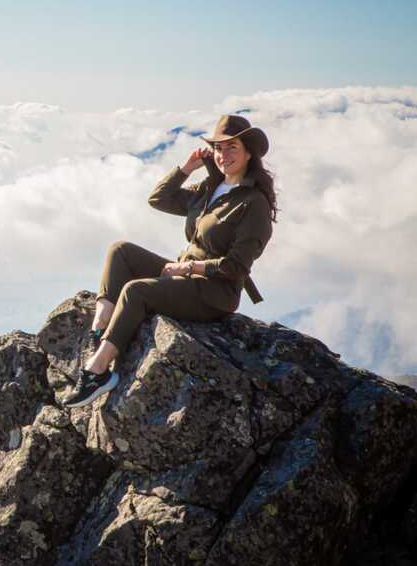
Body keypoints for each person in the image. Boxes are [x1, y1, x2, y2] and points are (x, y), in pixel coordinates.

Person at [63, 114, 278, 408]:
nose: (222, 155)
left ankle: (97, 372)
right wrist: (187, 168)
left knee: (136, 291)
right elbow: (158, 199)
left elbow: (237, 266)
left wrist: (188, 267)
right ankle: (100, 328)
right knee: (120, 250)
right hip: (182, 277)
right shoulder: (209, 189)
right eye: (218, 148)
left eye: (232, 148)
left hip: (214, 292)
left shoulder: (253, 203)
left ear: (249, 152)